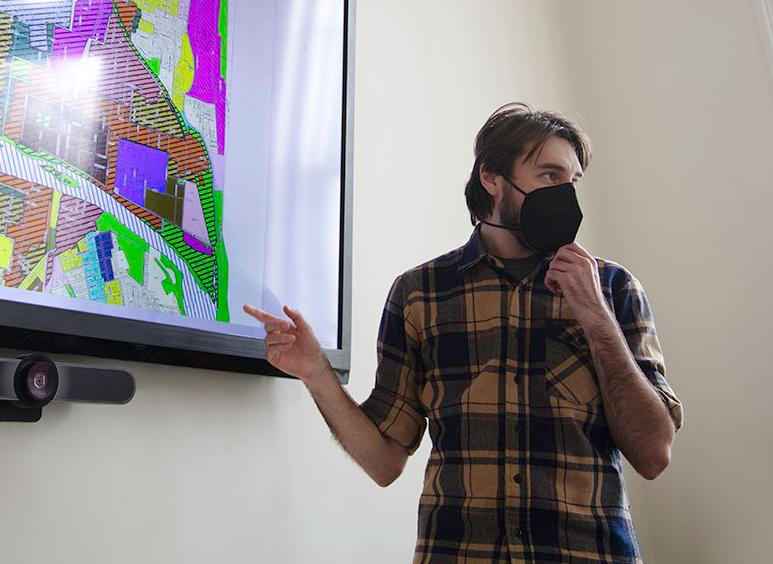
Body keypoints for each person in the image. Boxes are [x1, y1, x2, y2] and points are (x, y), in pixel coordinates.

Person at [244, 102, 683, 563]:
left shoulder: (613, 288)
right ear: (491, 176)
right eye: (549, 176)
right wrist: (316, 373)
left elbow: (653, 454)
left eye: (571, 181)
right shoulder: (420, 293)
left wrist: (595, 316)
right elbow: (384, 461)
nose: (564, 195)